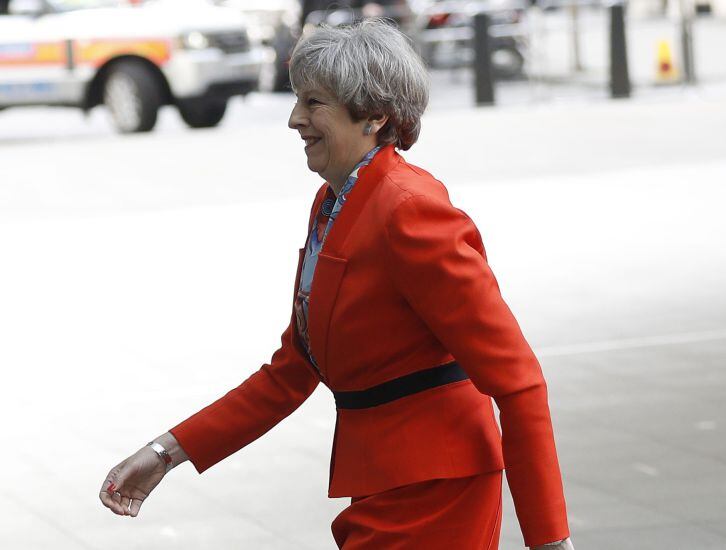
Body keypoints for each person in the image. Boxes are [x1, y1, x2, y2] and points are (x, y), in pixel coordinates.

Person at [99, 19, 574, 550]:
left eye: (314, 103)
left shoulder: (409, 210)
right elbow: (294, 369)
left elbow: (518, 379)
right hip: (385, 480)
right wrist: (167, 452)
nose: (294, 119)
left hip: (434, 488)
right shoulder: (336, 201)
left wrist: (549, 540)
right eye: (298, 98)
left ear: (374, 114)